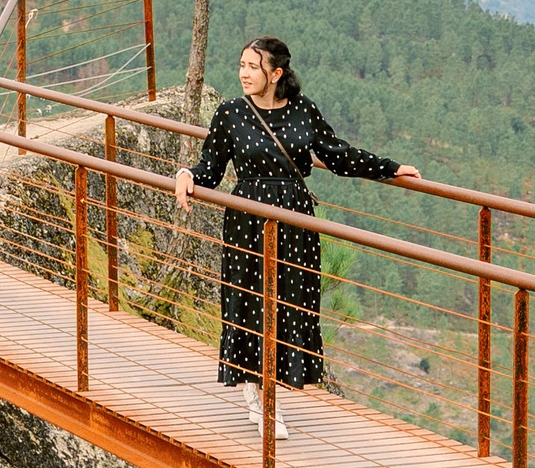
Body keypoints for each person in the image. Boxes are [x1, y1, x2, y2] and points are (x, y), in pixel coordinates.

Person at [176, 37, 421, 437]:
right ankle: (258, 394)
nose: (243, 73)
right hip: (249, 221)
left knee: (290, 304)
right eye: (241, 65)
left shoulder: (303, 111)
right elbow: (210, 167)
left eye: (253, 67)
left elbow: (338, 154)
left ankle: (272, 388)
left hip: (296, 224)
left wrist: (390, 168)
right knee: (252, 301)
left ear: (276, 74)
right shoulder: (231, 114)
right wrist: (187, 176)